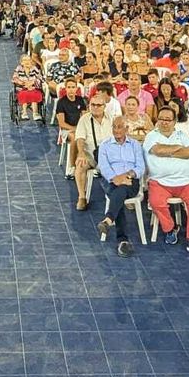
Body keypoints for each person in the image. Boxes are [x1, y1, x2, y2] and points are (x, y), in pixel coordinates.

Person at [141, 106, 189, 257]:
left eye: (168, 119)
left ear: (175, 121)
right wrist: (178, 149)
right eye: (161, 119)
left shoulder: (183, 135)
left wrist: (168, 152)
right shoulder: (151, 136)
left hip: (186, 181)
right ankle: (170, 228)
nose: (164, 122)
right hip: (159, 181)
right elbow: (157, 150)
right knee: (155, 202)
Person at [94, 115, 146, 256]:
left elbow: (140, 167)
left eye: (120, 127)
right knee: (119, 191)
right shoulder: (105, 145)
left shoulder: (135, 145)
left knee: (120, 191)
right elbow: (103, 167)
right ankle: (122, 240)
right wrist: (115, 178)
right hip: (111, 181)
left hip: (131, 181)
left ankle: (108, 220)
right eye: (114, 127)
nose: (116, 130)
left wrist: (126, 176)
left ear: (126, 129)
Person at [71, 83, 115, 212]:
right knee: (80, 165)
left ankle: (120, 195)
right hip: (90, 155)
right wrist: (81, 153)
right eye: (93, 105)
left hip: (108, 155)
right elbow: (80, 138)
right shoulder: (84, 119)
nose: (95, 107)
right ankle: (82, 197)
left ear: (104, 106)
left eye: (98, 105)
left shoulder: (111, 119)